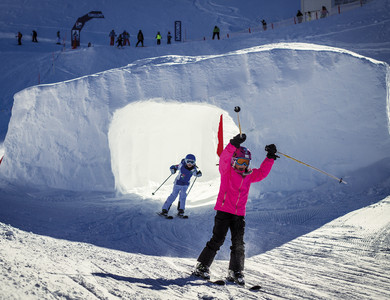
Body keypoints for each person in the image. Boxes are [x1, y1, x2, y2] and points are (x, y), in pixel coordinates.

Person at [193, 133, 278, 285]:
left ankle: (235, 271)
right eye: (240, 161)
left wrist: (270, 157)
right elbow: (224, 158)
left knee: (238, 243)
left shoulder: (249, 175)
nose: (243, 164)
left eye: (246, 162)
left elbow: (262, 173)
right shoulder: (227, 172)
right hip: (224, 211)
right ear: (233, 161)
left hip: (239, 214)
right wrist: (233, 144)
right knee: (217, 240)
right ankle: (202, 266)